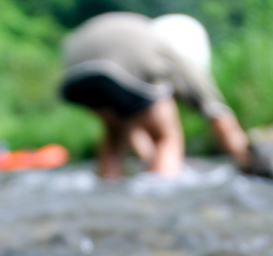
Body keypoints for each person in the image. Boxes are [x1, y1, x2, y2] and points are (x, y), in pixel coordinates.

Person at [59, 12, 251, 179]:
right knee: (166, 137)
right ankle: (159, 193)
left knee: (115, 132)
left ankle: (108, 184)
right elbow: (220, 118)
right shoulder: (176, 55)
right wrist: (246, 159)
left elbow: (136, 131)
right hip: (117, 63)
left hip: (74, 66)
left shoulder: (144, 36)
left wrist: (150, 161)